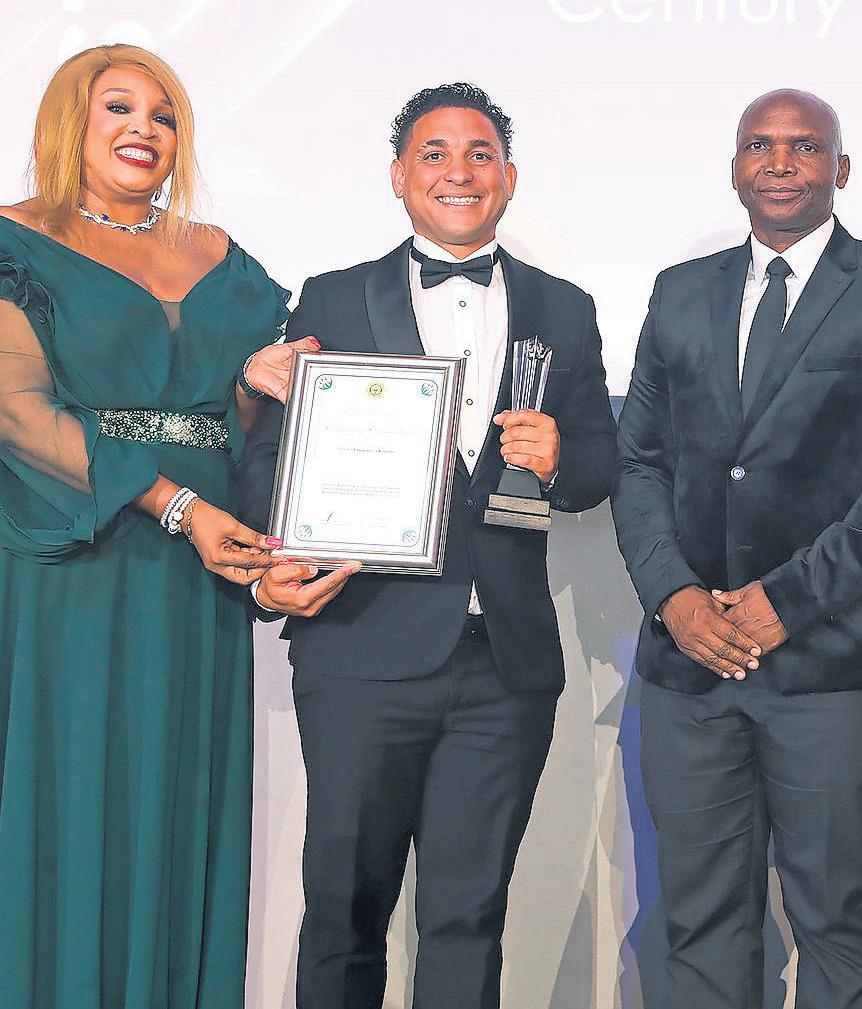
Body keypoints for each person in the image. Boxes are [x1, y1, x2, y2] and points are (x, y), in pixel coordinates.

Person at [0, 44, 307, 1008]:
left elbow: (219, 421)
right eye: (118, 106)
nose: (143, 128)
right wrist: (177, 506)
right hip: (49, 561)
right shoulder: (7, 242)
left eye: (164, 115)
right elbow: (15, 415)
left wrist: (250, 392)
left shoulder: (224, 259)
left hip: (181, 581)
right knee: (50, 790)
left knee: (152, 798)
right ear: (69, 119)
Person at [236, 82, 616, 1009]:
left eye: (481, 154)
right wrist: (271, 567)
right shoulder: (333, 296)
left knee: (468, 919)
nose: (459, 171)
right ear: (399, 177)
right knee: (343, 911)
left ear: (509, 178)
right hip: (360, 647)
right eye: (434, 154)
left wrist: (562, 458)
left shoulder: (566, 308)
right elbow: (274, 457)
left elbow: (602, 464)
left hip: (504, 663)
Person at [612, 89, 862, 1007]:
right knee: (696, 921)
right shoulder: (678, 290)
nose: (779, 163)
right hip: (690, 665)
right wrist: (674, 597)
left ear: (839, 169)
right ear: (733, 166)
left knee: (835, 920)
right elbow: (639, 460)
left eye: (804, 147)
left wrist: (786, 600)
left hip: (833, 666)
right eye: (759, 146)